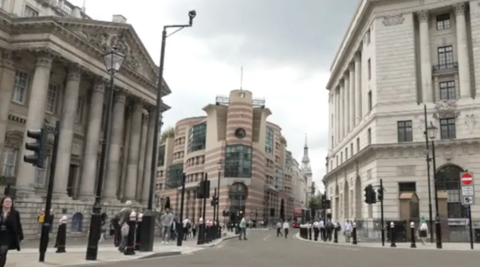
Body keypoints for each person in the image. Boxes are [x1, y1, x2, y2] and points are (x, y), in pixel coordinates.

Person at [0, 197, 23, 267]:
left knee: (2, 252)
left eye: (10, 202)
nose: (8, 203)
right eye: (6, 201)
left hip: (8, 236)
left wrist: (20, 235)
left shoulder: (15, 213)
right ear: (2, 203)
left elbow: (18, 224)